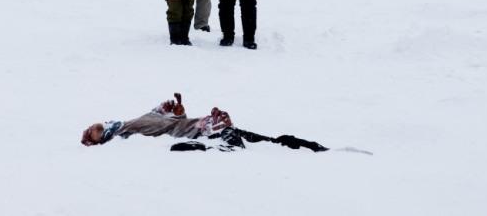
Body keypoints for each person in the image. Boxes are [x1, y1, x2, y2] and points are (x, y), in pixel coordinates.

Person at [81, 92, 329, 153]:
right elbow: (155, 134)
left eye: (93, 127)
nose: (95, 128)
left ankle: (311, 148)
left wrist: (171, 111)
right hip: (195, 132)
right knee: (236, 137)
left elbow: (158, 122)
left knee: (271, 142)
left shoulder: (126, 122)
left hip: (192, 124)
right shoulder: (122, 136)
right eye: (94, 133)